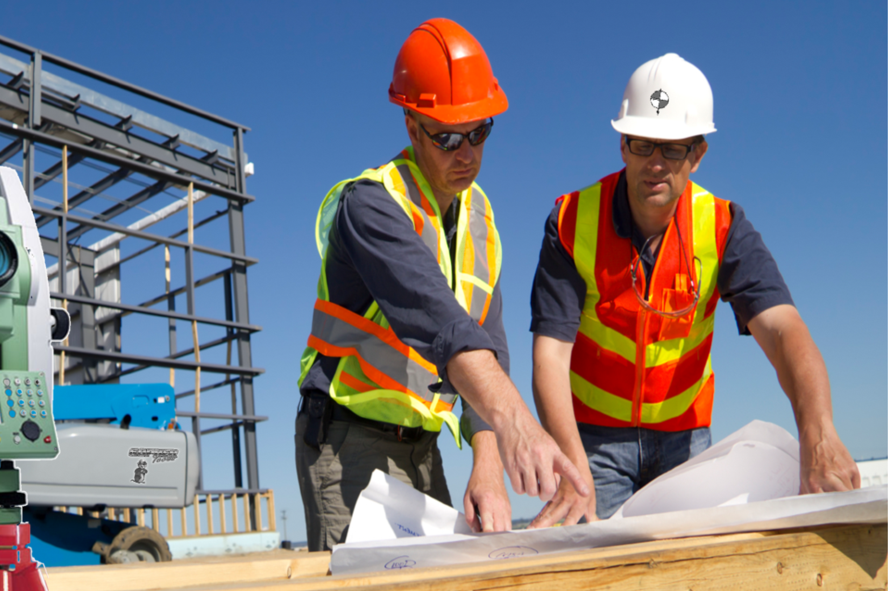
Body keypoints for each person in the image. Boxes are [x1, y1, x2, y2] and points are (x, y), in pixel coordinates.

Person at [527, 53, 861, 528]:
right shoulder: (570, 220)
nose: (656, 164)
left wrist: (819, 431)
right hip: (591, 441)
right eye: (643, 144)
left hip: (684, 439)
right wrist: (570, 461)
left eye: (674, 148)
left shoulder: (724, 226)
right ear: (622, 145)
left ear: (698, 155)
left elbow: (785, 329)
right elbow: (549, 358)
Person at [295, 18, 587, 551]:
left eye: (479, 132)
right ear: (411, 127)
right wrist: (518, 422)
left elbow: (488, 345)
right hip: (346, 440)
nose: (467, 152)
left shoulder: (480, 218)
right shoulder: (371, 207)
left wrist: (489, 462)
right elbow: (443, 324)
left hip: (422, 447)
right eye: (448, 136)